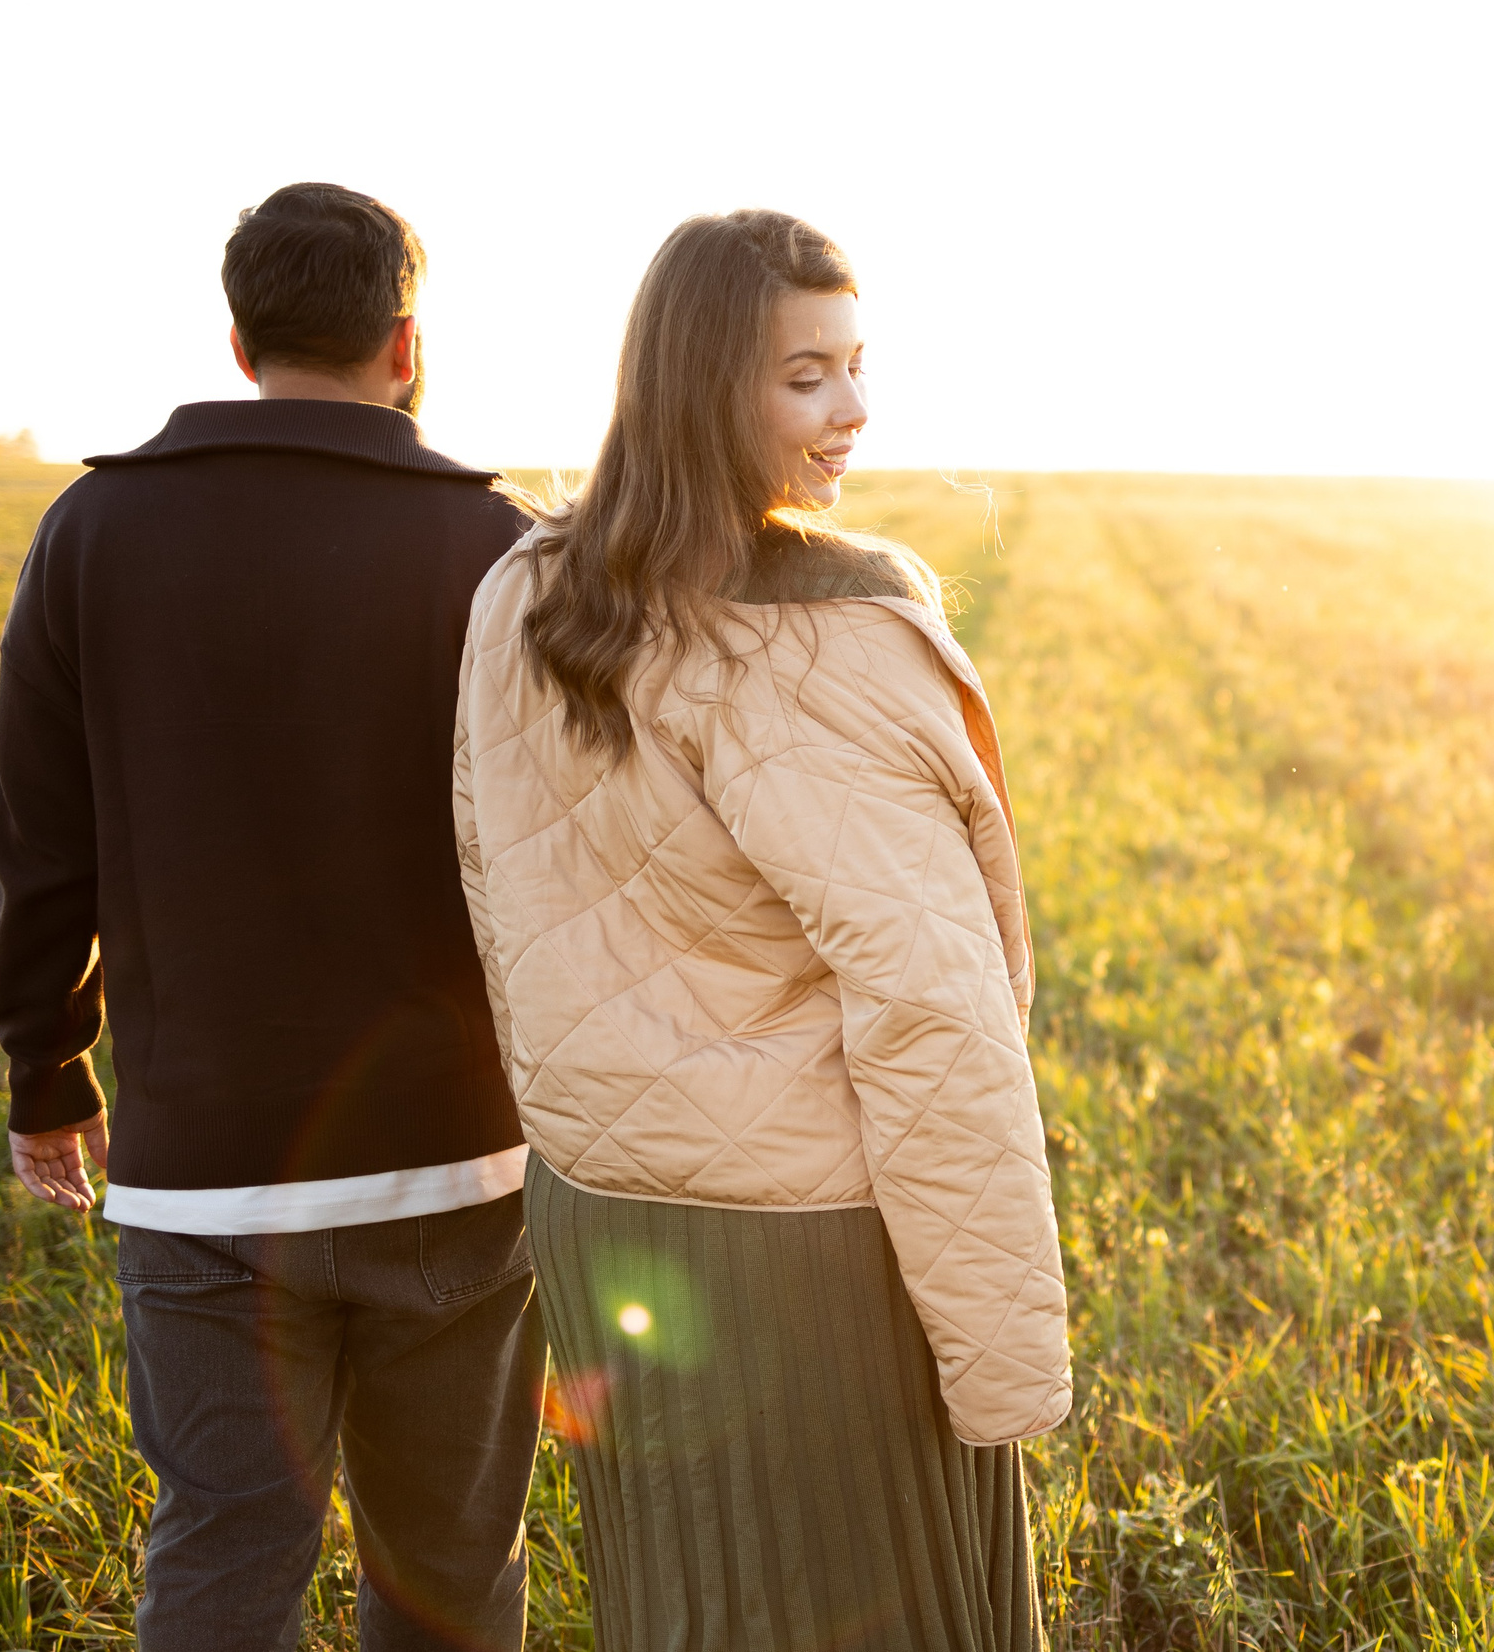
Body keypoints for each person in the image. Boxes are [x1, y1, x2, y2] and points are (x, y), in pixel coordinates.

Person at [455, 209, 1071, 1651]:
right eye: (807, 376)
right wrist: (1002, 1370)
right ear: (702, 383)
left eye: (857, 366)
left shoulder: (519, 596)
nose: (853, 411)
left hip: (605, 1216)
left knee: (684, 1608)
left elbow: (498, 891)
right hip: (811, 1261)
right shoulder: (821, 643)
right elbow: (933, 1012)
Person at [0, 182, 544, 1650]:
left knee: (223, 1562)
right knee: (451, 1570)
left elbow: (41, 844)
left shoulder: (91, 530)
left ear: (237, 342)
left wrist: (49, 1071)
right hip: (460, 1163)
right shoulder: (499, 549)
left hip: (200, 1182)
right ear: (406, 344)